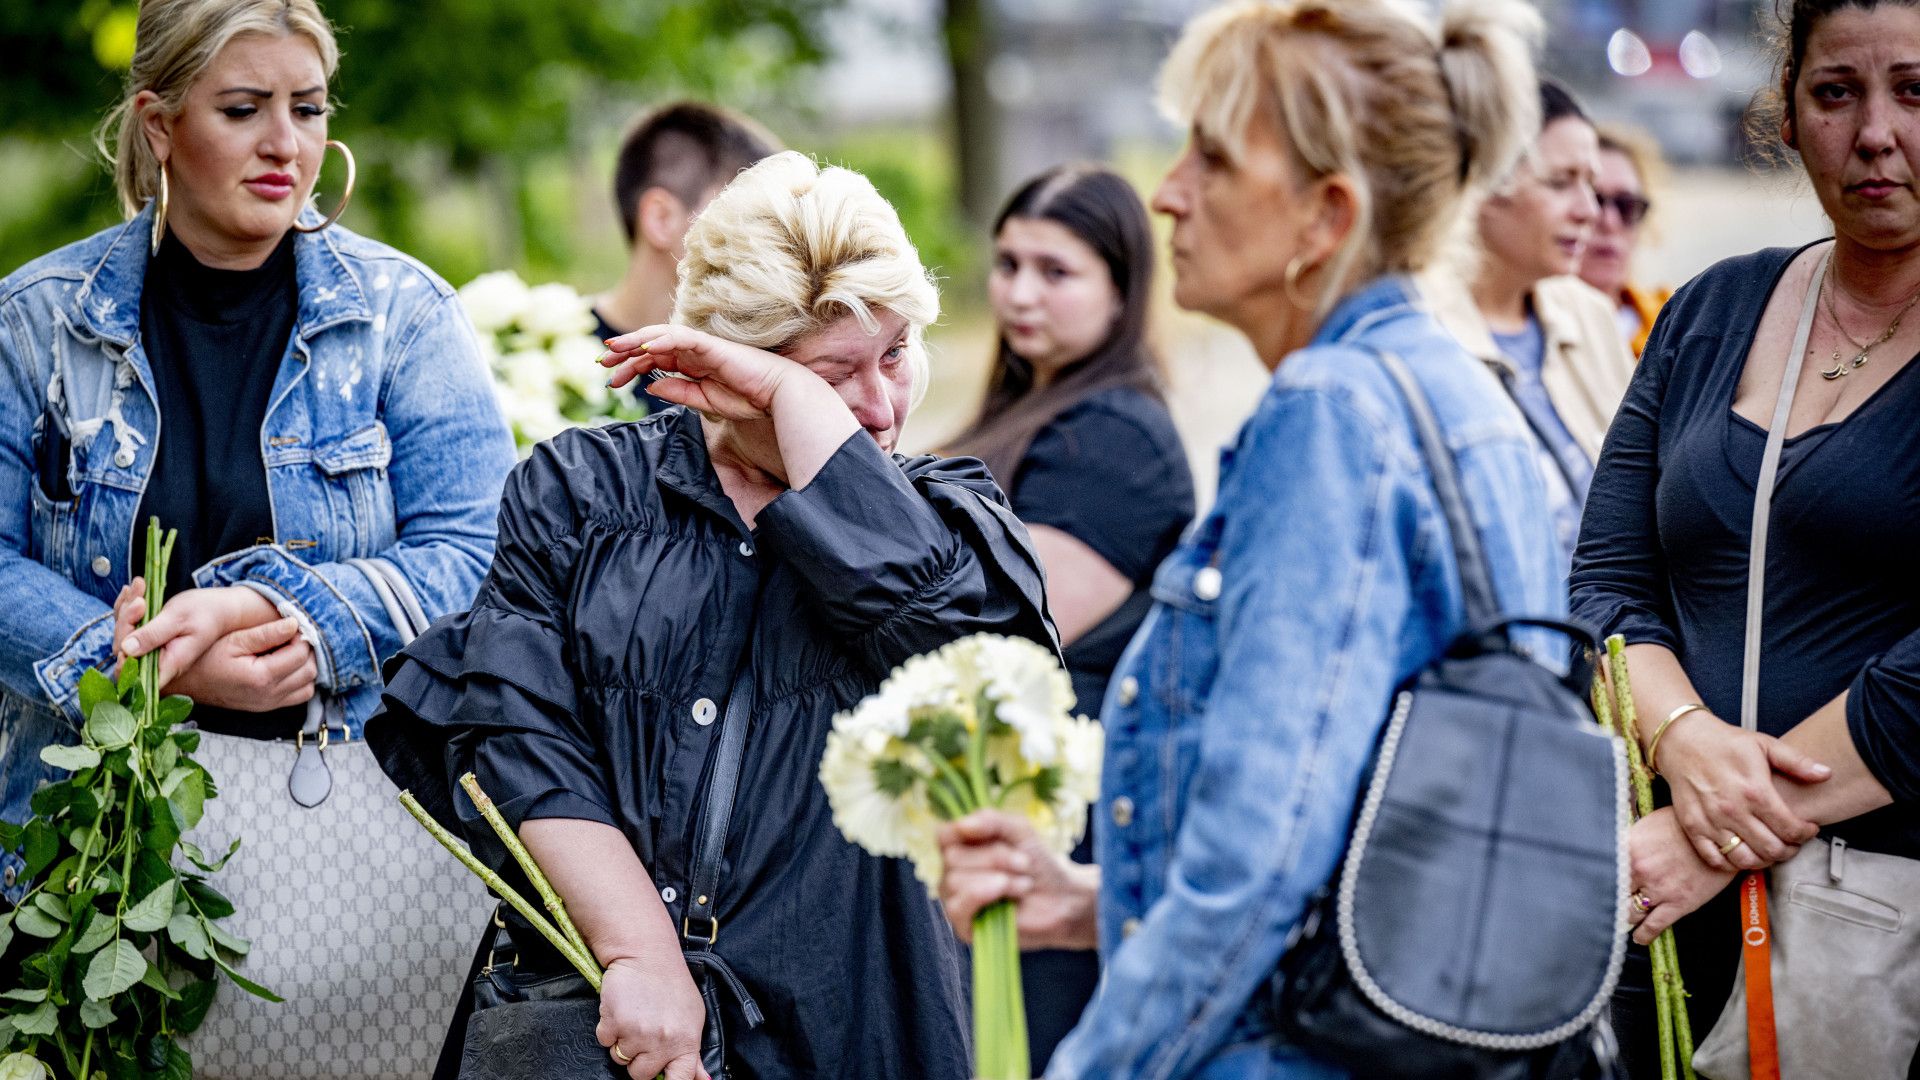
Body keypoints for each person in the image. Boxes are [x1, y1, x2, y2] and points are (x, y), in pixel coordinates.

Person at [934, 1, 1561, 1076]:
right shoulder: (1454, 386)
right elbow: (1373, 831)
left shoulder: (1333, 412)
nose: (1168, 192)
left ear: (1325, 217)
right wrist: (1094, 900)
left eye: (1212, 159)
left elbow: (1259, 860)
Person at [367, 151, 1055, 1080]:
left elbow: (981, 687)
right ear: (728, 358)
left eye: (896, 353)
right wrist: (641, 957)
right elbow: (520, 736)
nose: (882, 407)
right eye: (832, 375)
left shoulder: (947, 521)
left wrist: (804, 413)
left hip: (856, 1033)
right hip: (612, 1037)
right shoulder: (577, 497)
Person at [0, 0, 513, 895]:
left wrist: (296, 622)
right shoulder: (39, 322)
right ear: (160, 126)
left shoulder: (405, 317)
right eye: (244, 110)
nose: (286, 144)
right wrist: (137, 669)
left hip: (342, 859)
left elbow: (484, 557)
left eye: (308, 109)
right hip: (76, 857)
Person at [1571, 1, 1920, 1074]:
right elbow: (1607, 582)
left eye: (1915, 92)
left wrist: (1721, 823)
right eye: (1835, 93)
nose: (1873, 133)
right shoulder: (1708, 312)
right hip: (1670, 912)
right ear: (1787, 112)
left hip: (1880, 923)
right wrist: (1679, 739)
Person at [944, 163, 1195, 1072]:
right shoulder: (1028, 412)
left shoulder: (1116, 437)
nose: (1018, 293)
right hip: (998, 814)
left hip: (1062, 837)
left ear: (1122, 290)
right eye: (1007, 264)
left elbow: (994, 632)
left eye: (1056, 271)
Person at [1425, 79, 1636, 563]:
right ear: (1480, 181)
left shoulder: (1589, 317)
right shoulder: (1420, 332)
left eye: (1591, 183)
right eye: (1561, 183)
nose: (1590, 211)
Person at [592, 101, 780, 344]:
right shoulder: (538, 346)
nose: (772, 244)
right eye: (751, 218)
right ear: (661, 218)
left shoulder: (763, 366)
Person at [1578, 124, 1672, 358]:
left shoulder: (1677, 324)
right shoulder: (1521, 326)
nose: (1609, 222)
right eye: (1593, 199)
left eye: (1627, 206)